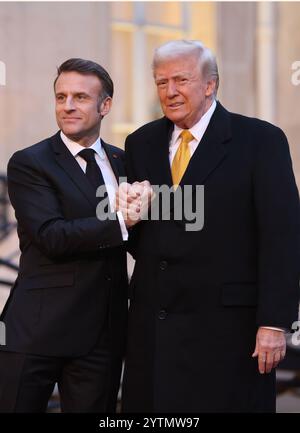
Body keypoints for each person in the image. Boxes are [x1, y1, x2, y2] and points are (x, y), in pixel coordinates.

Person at [118, 40, 300, 412]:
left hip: (230, 330)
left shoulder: (261, 140)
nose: (170, 92)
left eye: (181, 80)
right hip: (156, 325)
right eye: (161, 82)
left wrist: (275, 323)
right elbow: (144, 240)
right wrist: (128, 217)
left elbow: (283, 238)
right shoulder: (140, 143)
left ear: (210, 84)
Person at [0, 58, 132, 412]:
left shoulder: (123, 162)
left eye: (80, 97)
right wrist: (123, 222)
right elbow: (52, 236)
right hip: (36, 332)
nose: (68, 106)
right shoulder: (30, 162)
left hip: (101, 338)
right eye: (61, 97)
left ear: (105, 105)